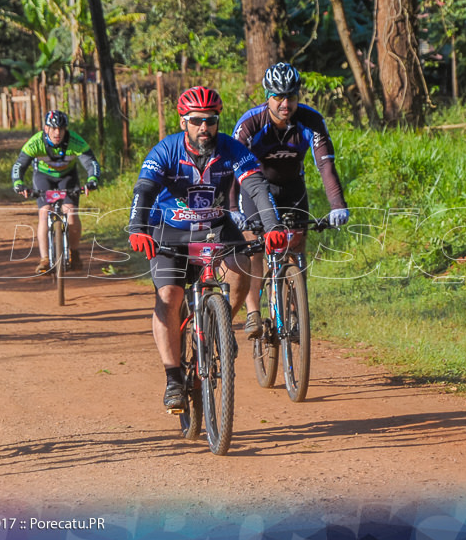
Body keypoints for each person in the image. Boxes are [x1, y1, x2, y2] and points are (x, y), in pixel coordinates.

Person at [126, 85, 288, 410]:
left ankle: (220, 329)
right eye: (197, 120)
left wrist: (273, 226)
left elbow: (256, 186)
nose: (205, 127)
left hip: (216, 228)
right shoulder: (166, 150)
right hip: (171, 230)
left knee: (241, 271)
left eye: (211, 120)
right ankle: (173, 379)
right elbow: (144, 189)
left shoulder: (230, 149)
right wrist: (137, 228)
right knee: (169, 297)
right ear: (183, 120)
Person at [231, 62, 351, 338]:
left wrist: (337, 206)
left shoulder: (311, 120)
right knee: (255, 247)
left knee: (296, 246)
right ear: (267, 96)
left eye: (291, 96)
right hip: (255, 189)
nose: (285, 103)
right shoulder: (250, 124)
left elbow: (325, 165)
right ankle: (253, 313)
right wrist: (230, 208)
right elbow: (232, 169)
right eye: (278, 97)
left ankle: (296, 313)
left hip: (292, 187)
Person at [11, 110, 100, 273]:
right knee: (45, 212)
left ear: (66, 129)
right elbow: (19, 165)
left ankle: (74, 251)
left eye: (61, 128)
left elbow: (91, 163)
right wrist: (18, 183)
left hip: (67, 177)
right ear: (46, 129)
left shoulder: (75, 141)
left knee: (71, 212)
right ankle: (45, 259)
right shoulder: (35, 142)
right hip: (43, 177)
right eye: (53, 129)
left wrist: (92, 180)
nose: (57, 132)